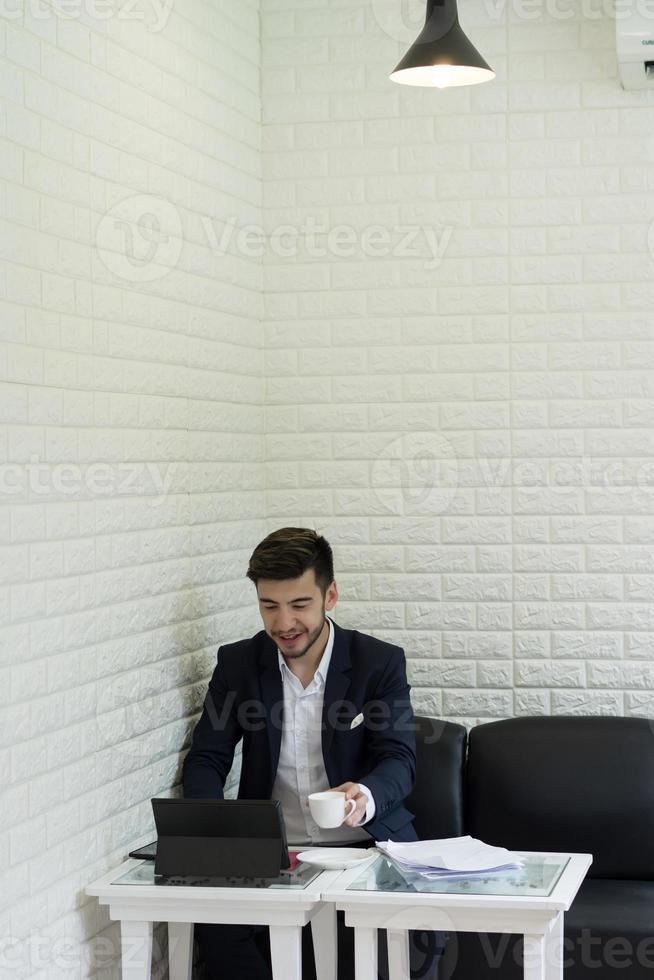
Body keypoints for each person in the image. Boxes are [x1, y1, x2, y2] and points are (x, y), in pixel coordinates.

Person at [182, 526, 432, 980]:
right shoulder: (238, 664)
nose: (283, 624)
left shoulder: (378, 662)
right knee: (216, 930)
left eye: (299, 605)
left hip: (365, 846)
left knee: (414, 937)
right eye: (269, 606)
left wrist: (366, 794)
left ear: (330, 595)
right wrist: (213, 828)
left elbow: (400, 758)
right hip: (271, 854)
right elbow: (207, 758)